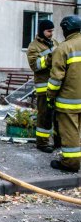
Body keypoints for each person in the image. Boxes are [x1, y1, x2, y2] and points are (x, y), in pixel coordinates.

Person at [47, 15, 81, 172]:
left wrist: (50, 96)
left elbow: (56, 79)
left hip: (69, 100)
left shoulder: (63, 48)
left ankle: (71, 164)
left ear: (66, 29)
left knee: (70, 133)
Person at [26, 20, 59, 153]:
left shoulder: (55, 43)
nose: (51, 34)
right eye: (48, 31)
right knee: (45, 115)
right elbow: (35, 66)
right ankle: (42, 143)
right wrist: (51, 57)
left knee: (58, 116)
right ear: (41, 31)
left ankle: (58, 141)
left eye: (52, 31)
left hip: (56, 86)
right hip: (44, 88)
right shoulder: (33, 46)